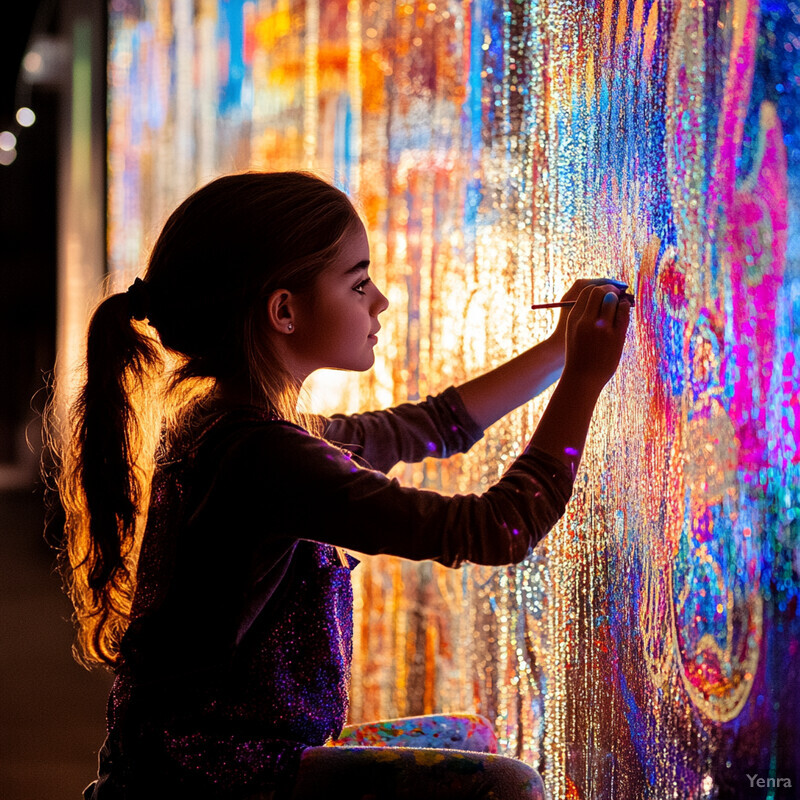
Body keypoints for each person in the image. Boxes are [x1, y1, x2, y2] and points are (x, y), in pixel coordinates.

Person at [52, 171, 631, 799]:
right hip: (213, 782)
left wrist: (559, 350)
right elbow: (497, 528)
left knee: (471, 737)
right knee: (508, 787)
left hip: (195, 761)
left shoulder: (238, 426)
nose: (379, 300)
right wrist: (584, 380)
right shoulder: (264, 455)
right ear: (284, 312)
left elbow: (432, 425)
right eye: (358, 283)